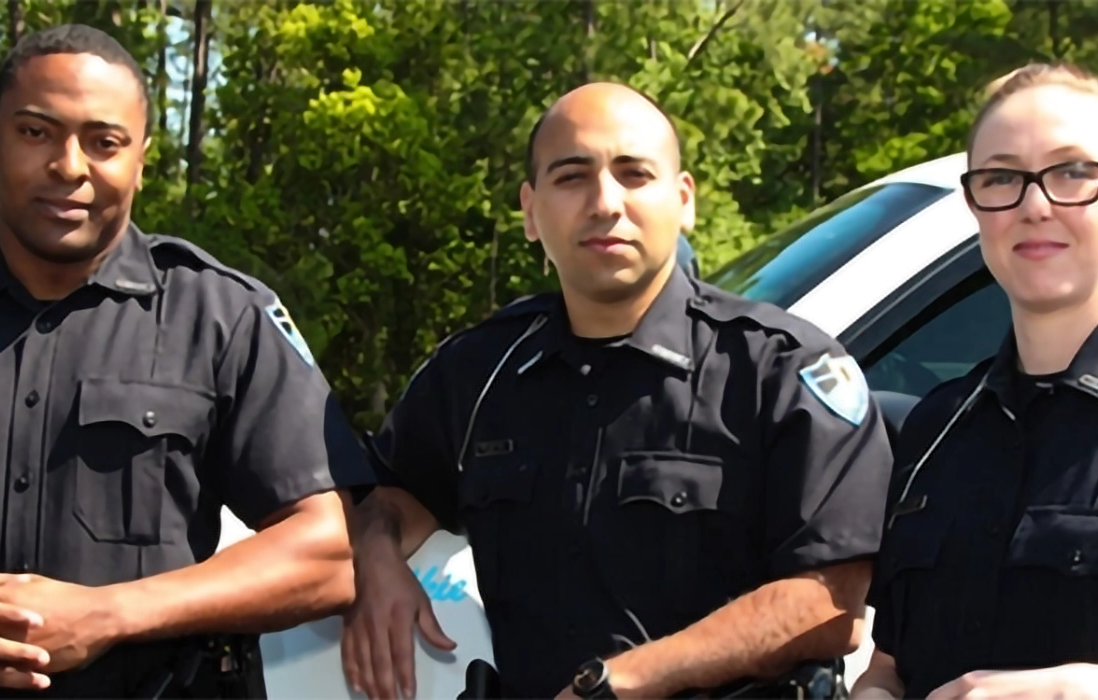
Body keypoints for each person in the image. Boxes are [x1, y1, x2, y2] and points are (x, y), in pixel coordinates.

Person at [0, 24, 373, 700]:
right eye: (35, 132)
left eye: (104, 143)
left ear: (141, 159)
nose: (69, 167)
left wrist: (109, 614)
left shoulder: (223, 319)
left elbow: (325, 554)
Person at [340, 82, 894, 700]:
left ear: (684, 200)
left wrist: (617, 683)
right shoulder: (478, 372)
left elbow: (832, 601)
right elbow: (384, 497)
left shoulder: (780, 371)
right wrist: (379, 559)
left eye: (634, 174)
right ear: (530, 210)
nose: (606, 202)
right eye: (572, 177)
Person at [849, 62, 1098, 700]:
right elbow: (891, 660)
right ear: (974, 204)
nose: (1035, 204)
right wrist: (877, 692)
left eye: (1074, 171)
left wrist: (1083, 692)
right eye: (1002, 178)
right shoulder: (936, 430)